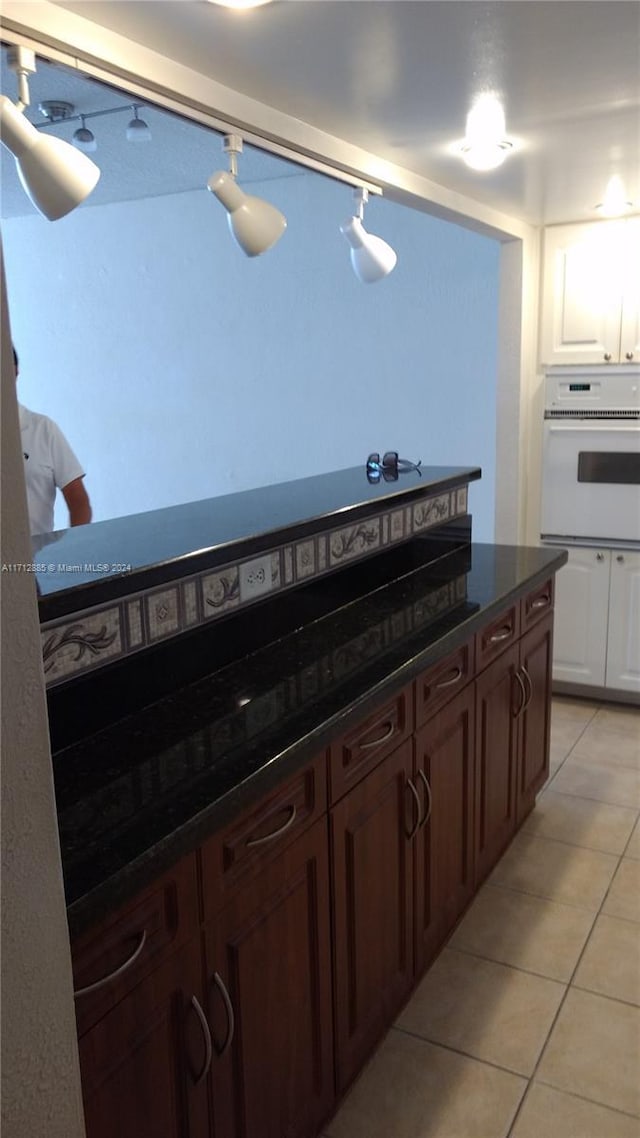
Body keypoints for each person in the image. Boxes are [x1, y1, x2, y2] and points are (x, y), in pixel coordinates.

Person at [13, 346, 92, 536]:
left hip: (33, 561)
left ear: (15, 371)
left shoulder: (43, 429)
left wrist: (73, 551)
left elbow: (79, 502)